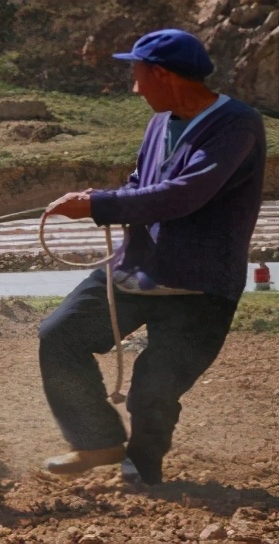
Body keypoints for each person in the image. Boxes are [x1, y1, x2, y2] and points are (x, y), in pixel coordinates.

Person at [38, 28, 267, 485]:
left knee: (154, 390)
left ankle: (141, 467)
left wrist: (100, 206)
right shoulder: (161, 119)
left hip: (200, 284)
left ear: (162, 74)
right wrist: (101, 196)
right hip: (140, 267)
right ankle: (97, 438)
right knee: (60, 334)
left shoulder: (237, 124)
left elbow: (185, 194)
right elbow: (144, 185)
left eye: (138, 76)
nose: (134, 87)